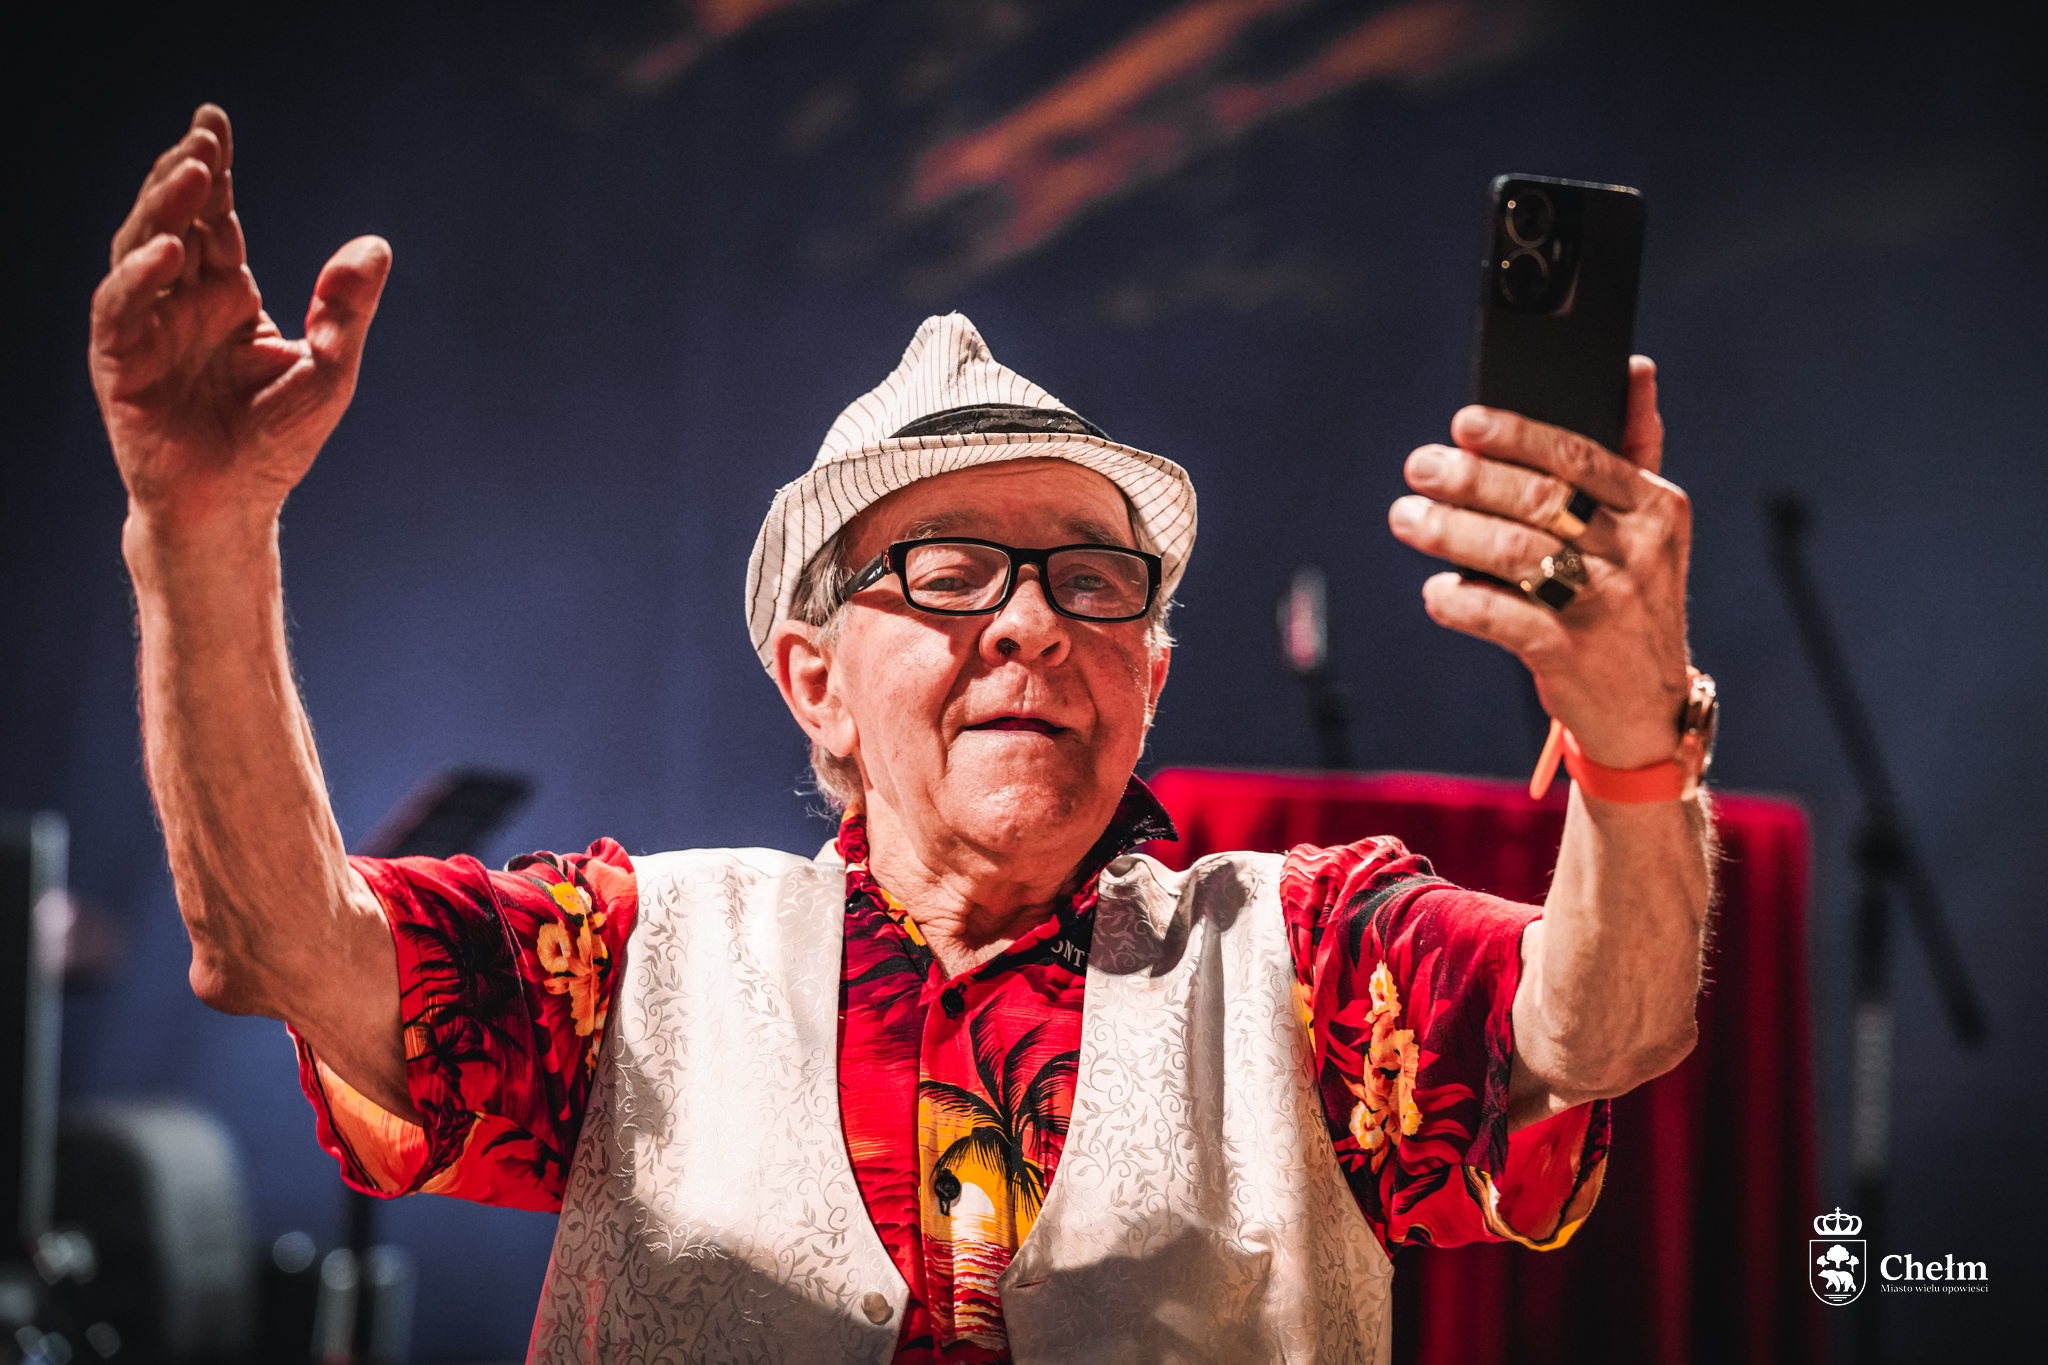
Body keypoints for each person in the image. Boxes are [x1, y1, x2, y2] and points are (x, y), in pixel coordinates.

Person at [92, 106, 1713, 1363]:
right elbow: (277, 944)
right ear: (814, 680)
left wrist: (1633, 741)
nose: (1031, 624)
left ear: (1150, 675)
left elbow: (1598, 1029)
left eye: (1093, 579)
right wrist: (201, 539)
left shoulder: (1309, 955)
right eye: (948, 572)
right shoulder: (629, 958)